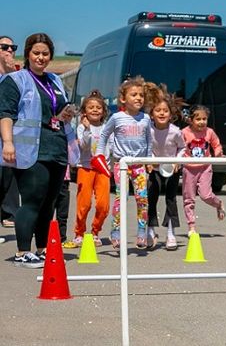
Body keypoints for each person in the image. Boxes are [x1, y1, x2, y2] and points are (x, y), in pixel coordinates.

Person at [0, 33, 79, 268]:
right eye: (36, 53)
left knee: (49, 203)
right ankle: (23, 252)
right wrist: (8, 143)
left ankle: (43, 249)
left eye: (45, 53)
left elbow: (58, 110)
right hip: (30, 150)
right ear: (27, 55)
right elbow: (5, 114)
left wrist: (66, 113)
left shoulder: (54, 81)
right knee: (33, 200)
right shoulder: (16, 80)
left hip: (56, 147)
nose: (41, 57)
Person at [96, 76, 152, 251]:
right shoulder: (117, 118)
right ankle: (115, 232)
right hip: (122, 165)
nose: (138, 98)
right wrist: (100, 153)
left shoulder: (146, 118)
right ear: (123, 99)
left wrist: (149, 159)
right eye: (133, 95)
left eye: (141, 95)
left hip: (140, 165)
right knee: (121, 199)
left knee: (142, 199)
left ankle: (142, 232)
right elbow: (104, 135)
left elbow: (149, 140)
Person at [63, 90, 110, 249]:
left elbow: (112, 146)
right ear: (84, 112)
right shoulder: (82, 128)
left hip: (103, 169)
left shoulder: (107, 127)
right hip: (86, 168)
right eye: (91, 107)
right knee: (84, 204)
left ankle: (95, 231)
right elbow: (82, 146)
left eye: (98, 107)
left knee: (103, 205)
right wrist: (87, 129)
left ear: (103, 111)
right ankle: (79, 233)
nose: (95, 110)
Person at [146, 85, 186, 250]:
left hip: (172, 169)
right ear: (152, 114)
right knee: (151, 198)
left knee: (171, 199)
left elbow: (183, 148)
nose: (162, 113)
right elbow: (146, 147)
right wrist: (150, 160)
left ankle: (171, 232)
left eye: (165, 111)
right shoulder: (148, 130)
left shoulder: (175, 131)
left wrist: (178, 161)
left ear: (171, 114)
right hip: (154, 169)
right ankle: (150, 230)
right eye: (158, 110)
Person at [181, 104, 226, 237]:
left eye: (204, 119)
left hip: (205, 167)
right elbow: (178, 147)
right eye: (198, 119)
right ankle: (191, 226)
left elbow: (216, 144)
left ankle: (218, 203)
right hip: (189, 168)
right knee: (189, 198)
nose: (202, 122)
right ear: (191, 120)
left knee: (205, 195)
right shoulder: (184, 133)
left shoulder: (209, 132)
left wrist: (218, 154)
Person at [0, 35, 20, 229]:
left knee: (8, 175)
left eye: (12, 47)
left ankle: (10, 213)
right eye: (4, 47)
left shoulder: (15, 76)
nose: (10, 50)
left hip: (9, 134)